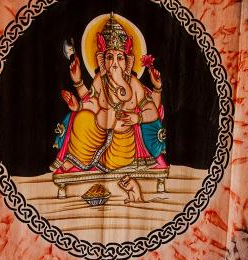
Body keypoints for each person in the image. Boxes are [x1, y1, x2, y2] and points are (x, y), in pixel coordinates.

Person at [51, 14, 167, 174]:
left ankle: (85, 162)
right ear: (102, 61)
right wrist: (78, 99)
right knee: (81, 117)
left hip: (122, 145)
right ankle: (78, 159)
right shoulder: (101, 79)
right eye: (109, 57)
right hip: (97, 140)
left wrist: (138, 117)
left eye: (120, 58)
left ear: (127, 61)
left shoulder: (133, 83)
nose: (114, 63)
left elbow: (153, 111)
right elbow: (92, 102)